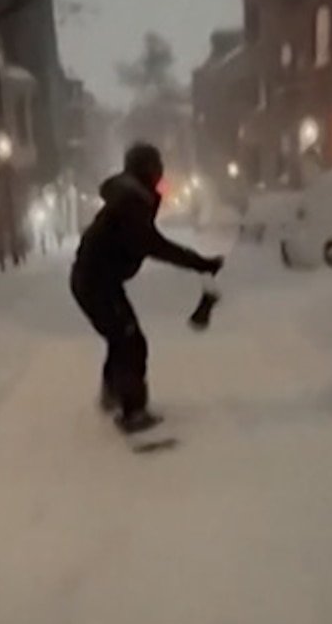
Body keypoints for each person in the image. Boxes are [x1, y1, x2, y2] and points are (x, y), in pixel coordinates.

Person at [70, 142, 223, 434]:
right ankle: (133, 412)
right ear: (146, 171)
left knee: (121, 336)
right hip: (95, 282)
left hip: (97, 280)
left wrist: (199, 263)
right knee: (130, 341)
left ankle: (114, 393)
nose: (160, 174)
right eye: (156, 168)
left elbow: (150, 242)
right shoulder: (130, 205)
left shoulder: (130, 199)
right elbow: (155, 245)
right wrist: (200, 263)